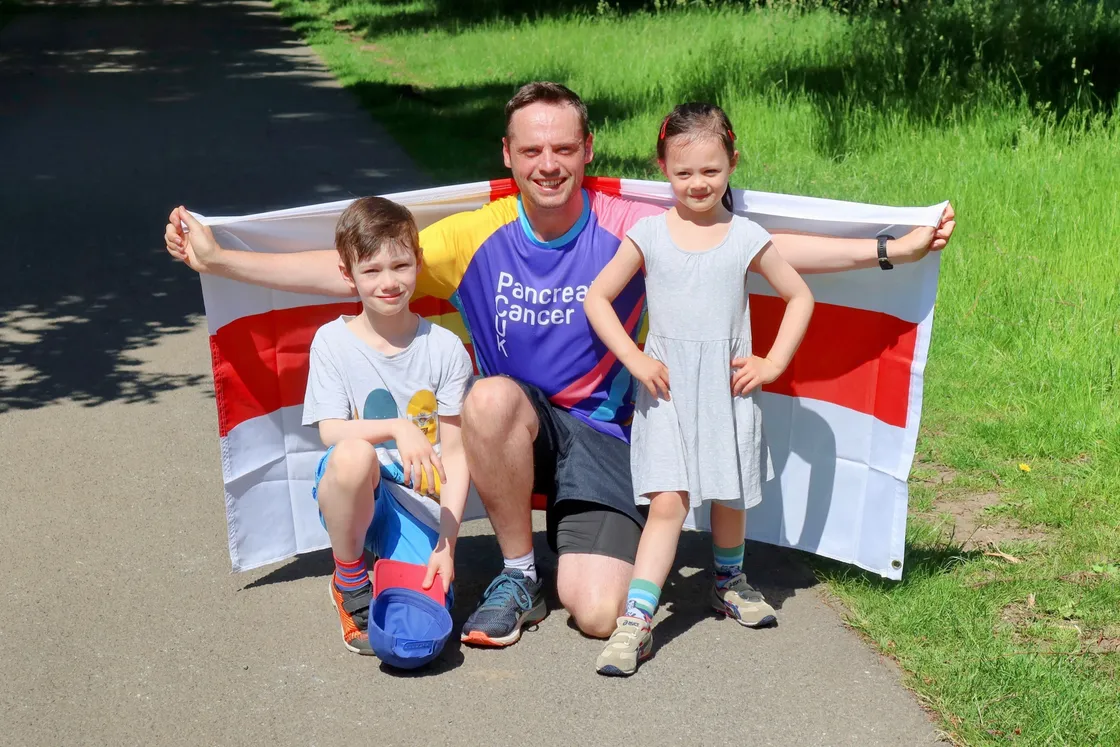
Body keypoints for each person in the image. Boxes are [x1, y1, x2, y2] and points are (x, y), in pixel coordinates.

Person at [164, 81, 957, 646]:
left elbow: (763, 252)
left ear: (586, 152)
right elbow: (352, 267)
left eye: (564, 148)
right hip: (514, 423)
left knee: (602, 614)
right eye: (532, 149)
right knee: (491, 397)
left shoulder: (632, 224)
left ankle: (570, 564)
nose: (548, 163)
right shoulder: (472, 236)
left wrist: (888, 250)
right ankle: (516, 570)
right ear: (507, 154)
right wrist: (221, 261)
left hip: (609, 435)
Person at [585, 103, 814, 676]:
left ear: (732, 164)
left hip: (727, 390)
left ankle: (728, 581)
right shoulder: (648, 235)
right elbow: (596, 299)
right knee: (669, 502)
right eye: (684, 172)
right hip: (665, 393)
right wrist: (635, 358)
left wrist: (773, 362)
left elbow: (799, 296)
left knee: (730, 493)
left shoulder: (746, 237)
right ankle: (636, 622)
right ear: (663, 167)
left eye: (711, 170)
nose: (698, 183)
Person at [295, 195, 472, 654]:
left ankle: (398, 563)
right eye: (371, 271)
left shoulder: (446, 348)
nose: (389, 282)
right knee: (354, 454)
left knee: (412, 642)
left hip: (419, 505)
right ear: (347, 274)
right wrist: (397, 427)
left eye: (400, 265)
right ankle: (350, 576)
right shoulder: (332, 341)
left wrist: (448, 545)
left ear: (417, 262)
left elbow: (455, 452)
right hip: (358, 488)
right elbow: (331, 431)